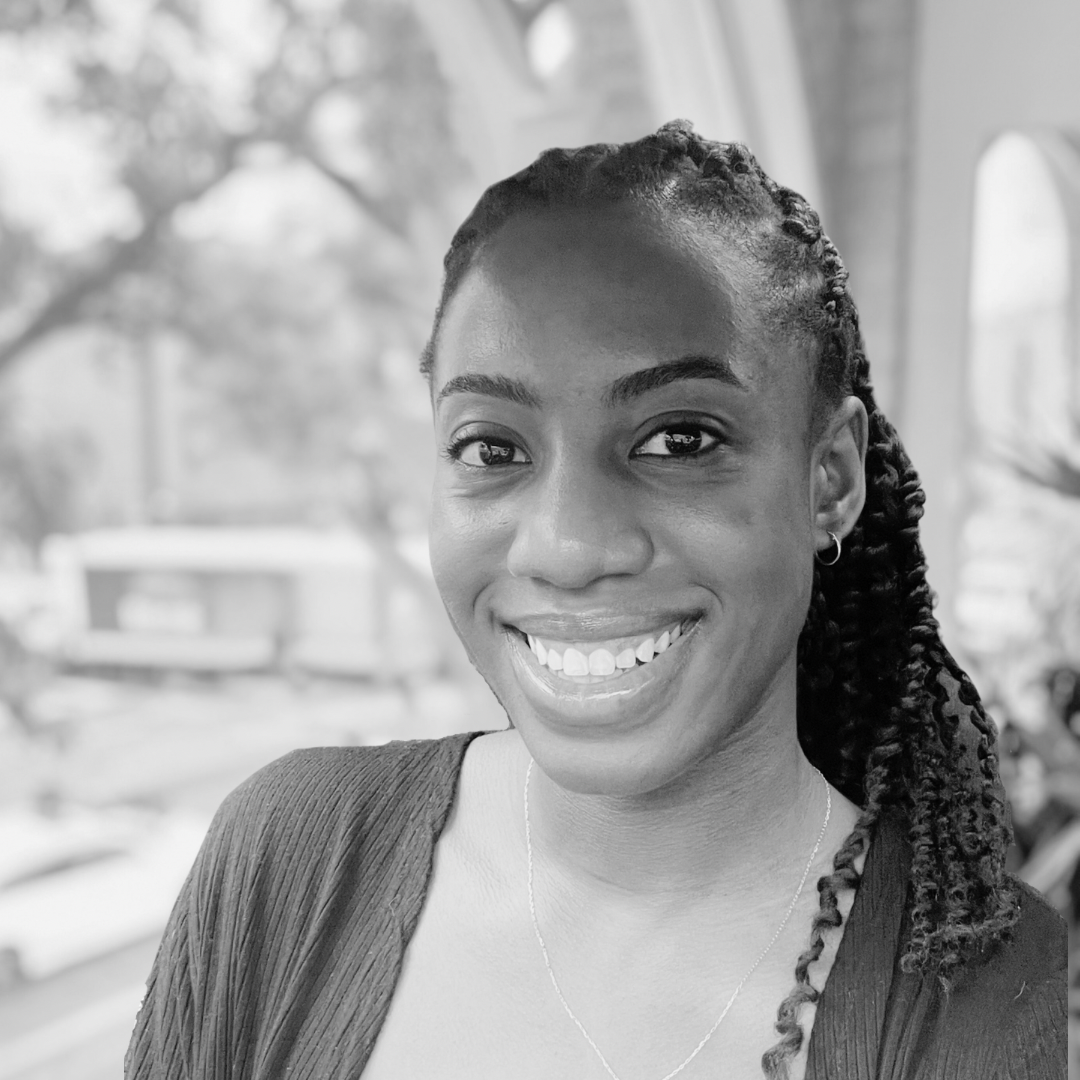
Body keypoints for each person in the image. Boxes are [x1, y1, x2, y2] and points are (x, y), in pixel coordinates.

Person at [126, 121, 1066, 1080]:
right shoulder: (290, 858)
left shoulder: (982, 999)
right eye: (493, 448)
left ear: (829, 478)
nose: (568, 547)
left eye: (681, 439)